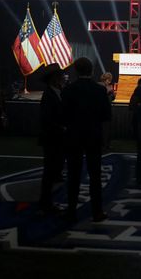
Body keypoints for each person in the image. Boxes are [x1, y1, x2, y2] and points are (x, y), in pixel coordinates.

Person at [61, 57, 112, 223]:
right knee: (95, 176)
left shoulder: (68, 90)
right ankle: (97, 211)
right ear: (91, 71)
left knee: (73, 175)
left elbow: (64, 115)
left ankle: (71, 211)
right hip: (93, 136)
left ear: (76, 71)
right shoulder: (99, 90)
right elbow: (106, 116)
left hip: (74, 136)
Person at [38, 63, 66, 215]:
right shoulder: (49, 94)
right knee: (50, 171)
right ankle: (45, 203)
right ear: (54, 78)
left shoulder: (57, 91)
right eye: (60, 76)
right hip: (52, 138)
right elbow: (47, 118)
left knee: (54, 171)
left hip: (57, 138)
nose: (63, 78)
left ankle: (47, 202)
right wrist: (61, 128)